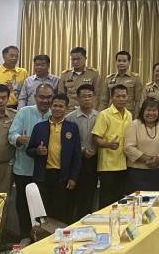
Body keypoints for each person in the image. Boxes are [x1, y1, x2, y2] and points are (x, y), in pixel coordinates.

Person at [26, 93, 81, 224]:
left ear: (66, 109)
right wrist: (37, 151)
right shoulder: (39, 127)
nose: (57, 108)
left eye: (61, 106)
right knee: (43, 212)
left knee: (60, 211)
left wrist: (73, 177)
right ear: (50, 107)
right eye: (55, 105)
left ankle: (59, 235)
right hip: (43, 176)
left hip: (63, 177)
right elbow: (29, 150)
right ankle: (43, 235)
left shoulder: (72, 128)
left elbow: (77, 155)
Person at [8, 83, 52, 238]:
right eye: (42, 97)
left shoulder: (54, 114)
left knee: (43, 207)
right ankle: (25, 238)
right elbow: (11, 134)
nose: (45, 100)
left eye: (48, 97)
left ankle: (42, 239)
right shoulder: (24, 112)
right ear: (35, 97)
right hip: (24, 169)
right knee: (23, 206)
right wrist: (19, 138)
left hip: (45, 171)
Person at [92, 84, 132, 207]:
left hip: (124, 164)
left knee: (121, 201)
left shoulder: (129, 115)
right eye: (118, 96)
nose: (121, 99)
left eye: (124, 96)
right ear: (112, 97)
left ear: (128, 97)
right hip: (108, 166)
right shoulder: (104, 114)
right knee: (106, 202)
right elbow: (96, 138)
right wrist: (108, 144)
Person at [64, 83, 99, 220]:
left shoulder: (100, 116)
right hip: (75, 161)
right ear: (78, 99)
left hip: (93, 161)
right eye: (84, 96)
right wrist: (82, 150)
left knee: (88, 195)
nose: (87, 99)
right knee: (72, 197)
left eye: (90, 96)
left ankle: (86, 224)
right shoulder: (70, 118)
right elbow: (67, 143)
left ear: (94, 98)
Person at [124, 98, 159, 192]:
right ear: (142, 111)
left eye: (154, 110)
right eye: (148, 110)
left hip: (158, 172)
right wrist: (147, 159)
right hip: (137, 173)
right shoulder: (134, 124)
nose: (151, 113)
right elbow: (128, 147)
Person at [0, 85, 15, 237]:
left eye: (3, 98)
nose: (0, 101)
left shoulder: (14, 116)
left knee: (1, 203)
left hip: (5, 167)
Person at [58, 46, 102, 113]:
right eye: (73, 59)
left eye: (78, 59)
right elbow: (61, 96)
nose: (75, 62)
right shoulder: (65, 74)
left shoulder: (93, 74)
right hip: (69, 111)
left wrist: (93, 111)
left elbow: (97, 95)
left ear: (85, 58)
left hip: (87, 111)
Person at [100, 51, 143, 116]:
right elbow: (104, 100)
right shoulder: (109, 78)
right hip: (111, 114)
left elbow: (138, 100)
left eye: (124, 61)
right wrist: (101, 115)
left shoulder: (135, 78)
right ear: (116, 62)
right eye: (119, 61)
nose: (121, 63)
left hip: (128, 114)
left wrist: (136, 116)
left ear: (129, 62)